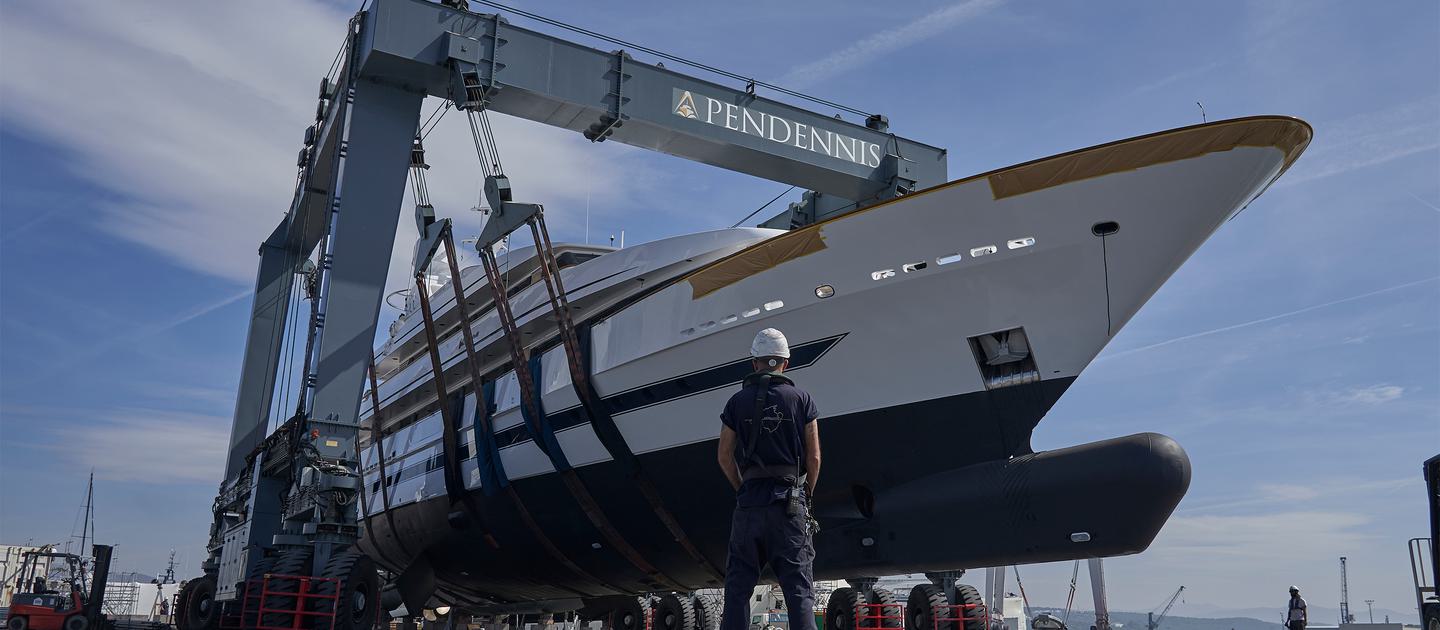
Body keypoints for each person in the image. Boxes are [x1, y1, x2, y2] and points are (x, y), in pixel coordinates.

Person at [717, 328, 822, 630]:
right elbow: (814, 457)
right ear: (786, 363)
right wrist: (806, 495)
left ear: (754, 363)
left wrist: (743, 488)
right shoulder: (802, 400)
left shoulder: (736, 403)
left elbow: (724, 456)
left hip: (749, 504)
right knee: (799, 591)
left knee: (737, 590)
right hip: (789, 504)